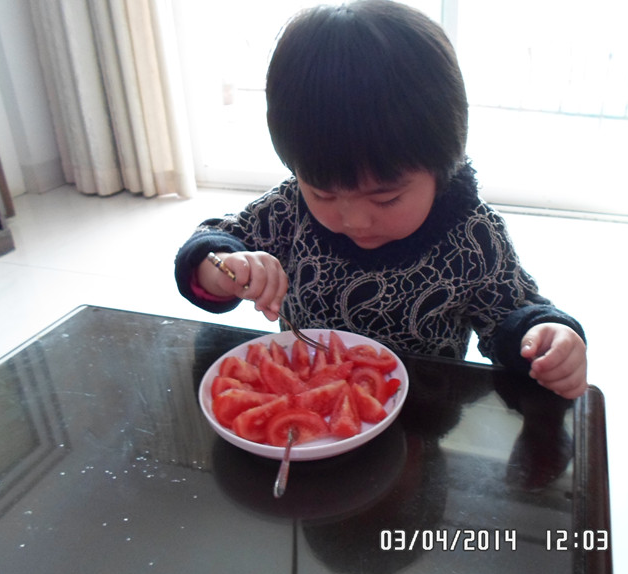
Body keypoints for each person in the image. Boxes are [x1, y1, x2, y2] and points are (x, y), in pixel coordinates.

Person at [175, 0, 587, 399]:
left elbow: (511, 314)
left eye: (386, 198)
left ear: (441, 167)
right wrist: (223, 269)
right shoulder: (289, 208)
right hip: (308, 406)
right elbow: (213, 243)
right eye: (324, 193)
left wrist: (546, 340)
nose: (355, 220)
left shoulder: (473, 235)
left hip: (422, 416)